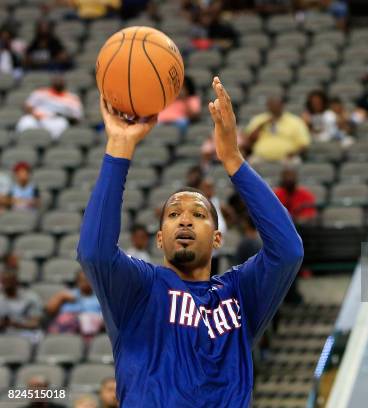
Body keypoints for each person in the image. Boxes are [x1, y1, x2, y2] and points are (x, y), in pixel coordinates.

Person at [76, 77, 304, 406]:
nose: (184, 219)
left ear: (217, 237)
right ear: (159, 239)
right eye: (173, 215)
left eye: (198, 214)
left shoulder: (240, 292)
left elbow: (288, 251)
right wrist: (120, 147)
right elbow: (94, 252)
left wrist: (233, 160)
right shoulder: (140, 288)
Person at [245, 96, 311, 163]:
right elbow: (248, 141)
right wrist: (261, 126)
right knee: (250, 163)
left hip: (287, 158)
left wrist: (293, 154)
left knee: (294, 163)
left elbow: (304, 144)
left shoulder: (295, 121)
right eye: (272, 105)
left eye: (277, 105)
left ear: (282, 105)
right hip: (260, 157)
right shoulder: (258, 119)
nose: (275, 107)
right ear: (268, 106)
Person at [16, 75, 84, 139]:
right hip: (37, 119)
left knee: (62, 123)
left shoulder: (72, 97)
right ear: (52, 82)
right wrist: (33, 113)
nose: (58, 82)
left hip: (56, 120)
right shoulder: (40, 93)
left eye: (60, 80)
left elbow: (76, 117)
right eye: (56, 80)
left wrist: (63, 116)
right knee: (26, 120)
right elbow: (27, 106)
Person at [46, 271, 104, 337]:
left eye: (89, 280)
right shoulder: (67, 295)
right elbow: (50, 311)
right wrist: (60, 297)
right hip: (66, 328)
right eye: (82, 280)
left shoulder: (100, 298)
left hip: (90, 330)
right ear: (77, 282)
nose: (86, 283)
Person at [0, 269, 43, 338]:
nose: (5, 285)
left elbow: (35, 323)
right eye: (3, 281)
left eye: (8, 281)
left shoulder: (30, 298)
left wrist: (14, 324)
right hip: (4, 333)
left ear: (15, 282)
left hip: (26, 333)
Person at [198, 177, 227, 276]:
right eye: (206, 187)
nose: (209, 190)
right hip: (203, 252)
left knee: (213, 279)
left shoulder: (216, 201)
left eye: (210, 187)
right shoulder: (199, 204)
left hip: (216, 252)